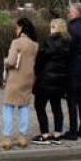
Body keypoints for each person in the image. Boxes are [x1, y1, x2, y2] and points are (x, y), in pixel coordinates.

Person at [0, 17, 39, 150]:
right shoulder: (35, 45)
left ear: (21, 27)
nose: (16, 30)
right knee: (24, 107)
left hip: (15, 79)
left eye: (17, 27)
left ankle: (7, 137)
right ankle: (22, 136)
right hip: (28, 79)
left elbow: (11, 61)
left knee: (8, 107)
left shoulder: (16, 43)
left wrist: (5, 61)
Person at [32, 17, 70, 145]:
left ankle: (45, 134)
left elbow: (40, 61)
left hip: (46, 79)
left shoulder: (49, 42)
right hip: (60, 79)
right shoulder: (68, 43)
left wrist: (37, 73)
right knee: (56, 106)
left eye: (52, 27)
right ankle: (58, 134)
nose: (50, 29)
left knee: (40, 106)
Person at [63, 3, 81, 140]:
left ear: (76, 13)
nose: (69, 13)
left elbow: (67, 50)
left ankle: (73, 130)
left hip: (72, 69)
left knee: (72, 101)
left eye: (70, 11)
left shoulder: (71, 28)